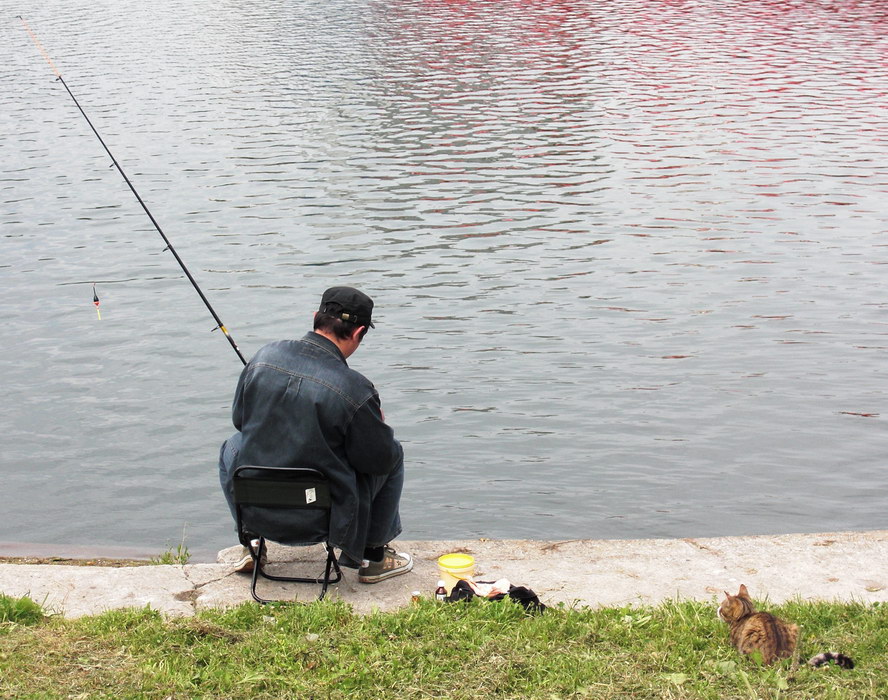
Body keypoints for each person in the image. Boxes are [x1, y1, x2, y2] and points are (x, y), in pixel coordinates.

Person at [218, 286, 412, 583]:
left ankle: (252, 542)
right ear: (359, 332)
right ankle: (373, 556)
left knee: (232, 447)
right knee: (393, 452)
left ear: (315, 317)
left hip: (259, 508)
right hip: (321, 518)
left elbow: (240, 420)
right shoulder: (355, 389)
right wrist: (376, 424)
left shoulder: (263, 357)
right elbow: (380, 461)